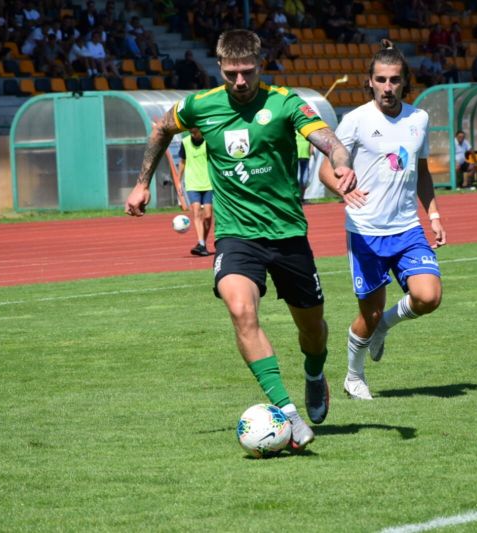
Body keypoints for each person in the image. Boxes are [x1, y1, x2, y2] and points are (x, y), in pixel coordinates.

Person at [124, 29, 357, 450]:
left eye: (247, 72)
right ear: (220, 67)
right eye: (231, 74)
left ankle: (314, 371)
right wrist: (142, 184)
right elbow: (161, 130)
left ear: (259, 64)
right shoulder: (200, 105)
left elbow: (329, 141)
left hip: (287, 235)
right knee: (239, 307)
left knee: (313, 332)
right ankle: (288, 415)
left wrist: (341, 163)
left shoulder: (285, 103)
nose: (240, 82)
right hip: (236, 237)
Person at [318, 42, 446, 400]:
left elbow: (421, 170)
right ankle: (353, 376)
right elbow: (325, 168)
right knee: (368, 315)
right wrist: (343, 191)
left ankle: (385, 327)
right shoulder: (356, 120)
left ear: (405, 82)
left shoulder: (418, 119)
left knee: (429, 296)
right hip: (365, 232)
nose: (387, 86)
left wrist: (432, 213)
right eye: (381, 80)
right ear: (369, 82)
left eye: (394, 80)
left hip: (407, 229)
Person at [177, 127, 214, 256]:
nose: (193, 134)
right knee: (197, 211)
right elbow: (182, 162)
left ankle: (202, 243)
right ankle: (201, 244)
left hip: (208, 182)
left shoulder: (209, 141)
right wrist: (178, 180)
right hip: (192, 183)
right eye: (191, 132)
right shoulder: (185, 142)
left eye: (195, 131)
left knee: (208, 216)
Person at [295, 131, 313, 202]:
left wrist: (312, 148)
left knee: (305, 179)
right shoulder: (294, 131)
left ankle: (302, 197)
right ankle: (296, 197)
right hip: (297, 156)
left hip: (306, 156)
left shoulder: (306, 131)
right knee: (298, 178)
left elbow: (311, 140)